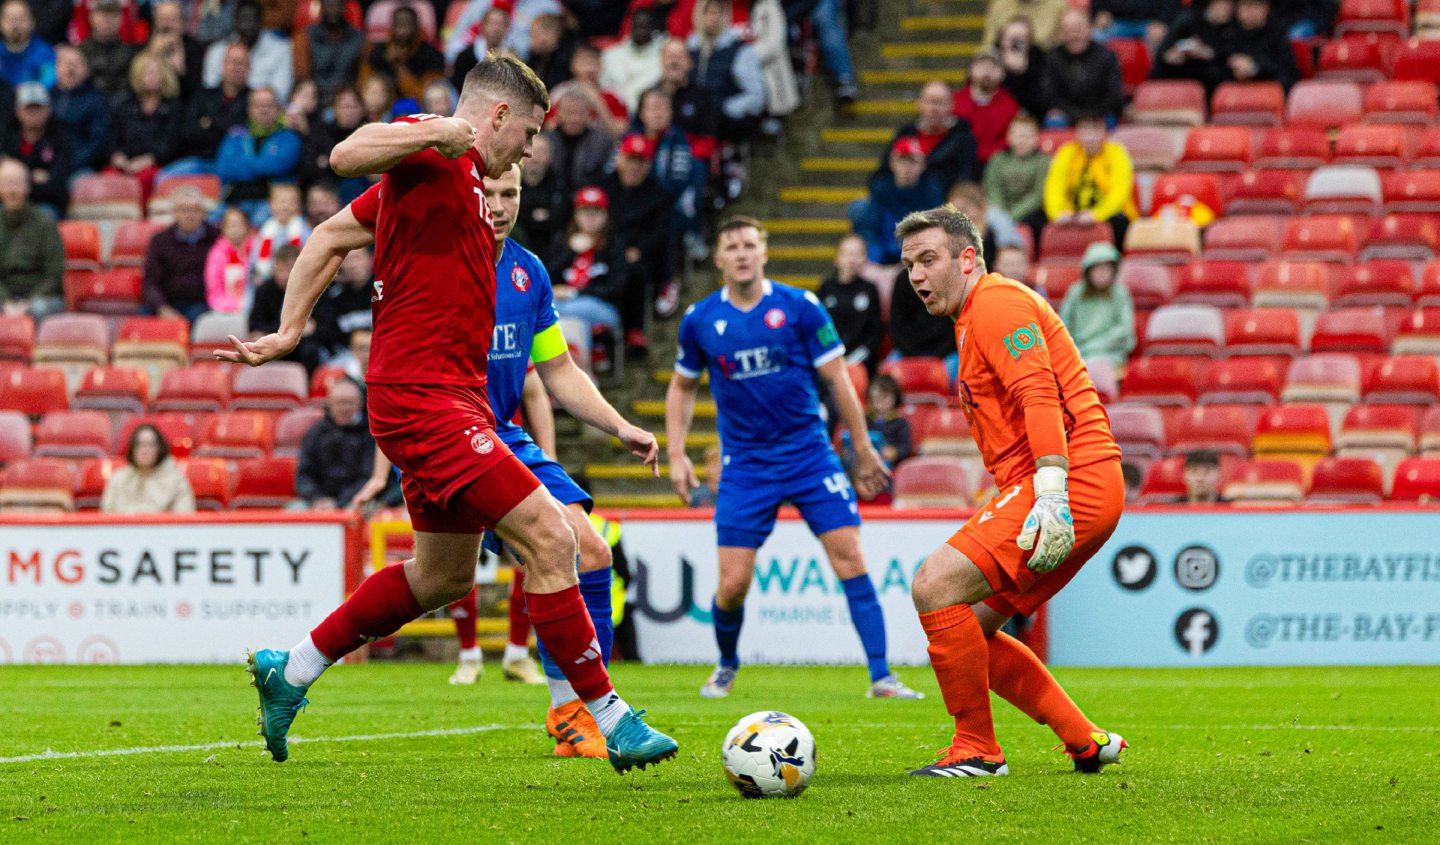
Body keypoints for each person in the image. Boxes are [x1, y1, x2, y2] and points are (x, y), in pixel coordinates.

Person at [220, 54, 677, 771]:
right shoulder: (433, 156)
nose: (527, 152)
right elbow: (343, 153)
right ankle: (607, 716)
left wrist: (289, 329)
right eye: (526, 134)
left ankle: (294, 668)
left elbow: (329, 238)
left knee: (442, 578)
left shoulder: (479, 208)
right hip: (422, 397)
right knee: (553, 538)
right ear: (496, 117)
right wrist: (435, 129)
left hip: (449, 401)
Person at [343, 162, 660, 756]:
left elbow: (557, 372)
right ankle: (566, 703)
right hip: (446, 433)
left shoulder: (529, 273)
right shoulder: (434, 260)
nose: (499, 203)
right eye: (488, 191)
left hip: (505, 436)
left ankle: (573, 712)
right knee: (452, 575)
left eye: (510, 192)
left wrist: (619, 426)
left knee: (589, 548)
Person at [895, 205, 1125, 777]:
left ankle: (976, 749)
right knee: (969, 631)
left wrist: (1050, 490)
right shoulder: (975, 316)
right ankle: (1085, 739)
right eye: (908, 265)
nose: (917, 276)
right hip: (1073, 481)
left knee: (934, 584)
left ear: (967, 259)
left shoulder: (996, 303)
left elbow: (1039, 396)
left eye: (928, 260)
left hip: (1073, 479)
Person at [666, 215, 923, 701]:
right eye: (732, 246)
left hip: (810, 455)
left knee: (849, 558)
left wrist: (862, 447)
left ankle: (881, 675)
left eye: (749, 244)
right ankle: (726, 663)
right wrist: (677, 453)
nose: (741, 253)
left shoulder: (800, 307)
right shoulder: (700, 320)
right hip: (745, 464)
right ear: (719, 258)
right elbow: (682, 388)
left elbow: (839, 380)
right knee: (733, 583)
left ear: (764, 252)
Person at [598, 133, 675, 330]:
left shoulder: (660, 195)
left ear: (649, 166)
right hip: (602, 248)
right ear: (620, 159)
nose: (635, 167)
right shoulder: (602, 185)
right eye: (631, 159)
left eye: (641, 162)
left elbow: (660, 234)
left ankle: (633, 330)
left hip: (640, 255)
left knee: (633, 271)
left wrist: (639, 250)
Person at [543, 186, 627, 345]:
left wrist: (573, 293)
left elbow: (616, 287)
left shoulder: (614, 245)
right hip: (564, 307)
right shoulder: (562, 241)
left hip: (601, 307)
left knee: (550, 311)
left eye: (596, 212)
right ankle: (582, 364)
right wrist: (570, 253)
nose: (590, 217)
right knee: (571, 321)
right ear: (576, 214)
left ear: (606, 215)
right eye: (585, 211)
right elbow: (545, 276)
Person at [1043, 113, 1137, 247]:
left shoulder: (1117, 153)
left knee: (1119, 223)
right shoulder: (1066, 152)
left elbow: (1119, 194)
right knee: (1038, 222)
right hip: (1071, 212)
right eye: (1085, 131)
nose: (1090, 138)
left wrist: (1096, 215)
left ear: (1104, 132)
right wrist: (1057, 213)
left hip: (1109, 213)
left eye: (1095, 131)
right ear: (1077, 133)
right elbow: (1054, 187)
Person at [874, 80, 977, 195]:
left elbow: (965, 180)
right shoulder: (906, 133)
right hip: (902, 196)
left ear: (951, 105)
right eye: (929, 102)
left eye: (940, 103)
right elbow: (882, 173)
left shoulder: (963, 138)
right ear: (919, 104)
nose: (934, 109)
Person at [854, 137, 944, 266]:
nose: (907, 168)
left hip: (917, 256)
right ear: (892, 163)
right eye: (902, 161)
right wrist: (874, 262)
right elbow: (870, 227)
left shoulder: (931, 191)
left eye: (912, 162)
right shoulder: (881, 189)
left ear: (923, 165)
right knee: (859, 208)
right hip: (884, 252)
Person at [687, 0, 765, 144]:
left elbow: (756, 97)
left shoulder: (740, 51)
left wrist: (726, 109)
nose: (712, 17)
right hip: (692, 118)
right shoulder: (690, 47)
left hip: (723, 124)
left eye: (717, 12)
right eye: (707, 12)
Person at [216, 87, 303, 217]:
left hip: (270, 203)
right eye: (258, 105)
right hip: (234, 201)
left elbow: (277, 167)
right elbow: (223, 169)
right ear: (249, 109)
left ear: (278, 109)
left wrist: (243, 163)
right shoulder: (235, 136)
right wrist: (262, 166)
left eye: (269, 105)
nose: (263, 110)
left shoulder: (288, 137)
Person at [109, 51, 183, 197]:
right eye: (147, 72)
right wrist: (118, 157)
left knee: (143, 180)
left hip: (158, 164)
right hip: (126, 163)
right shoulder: (125, 106)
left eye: (156, 72)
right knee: (109, 179)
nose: (152, 77)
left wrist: (148, 160)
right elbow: (113, 138)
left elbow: (171, 143)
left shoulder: (173, 107)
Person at [295, 376, 375, 511]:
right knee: (295, 510)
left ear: (360, 404)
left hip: (355, 499)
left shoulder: (370, 434)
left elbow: (368, 477)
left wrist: (339, 503)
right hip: (317, 501)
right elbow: (304, 476)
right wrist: (317, 499)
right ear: (329, 404)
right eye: (338, 403)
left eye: (349, 402)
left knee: (363, 510)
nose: (344, 408)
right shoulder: (315, 433)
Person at [142, 186, 218, 322]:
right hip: (167, 302)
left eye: (195, 209)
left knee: (200, 318)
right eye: (184, 210)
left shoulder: (216, 237)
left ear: (203, 212)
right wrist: (162, 308)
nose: (189, 215)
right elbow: (150, 283)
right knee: (142, 317)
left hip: (203, 302)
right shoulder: (159, 240)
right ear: (174, 213)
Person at [0, 157, 62, 319]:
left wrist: (28, 303)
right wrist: (6, 302)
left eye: (16, 184)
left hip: (41, 298)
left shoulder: (45, 223)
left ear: (27, 187)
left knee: (38, 309)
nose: (12, 191)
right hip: (5, 298)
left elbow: (53, 274)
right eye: (6, 184)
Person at [1039, 10, 1125, 127]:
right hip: (1066, 114)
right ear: (1060, 34)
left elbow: (1114, 97)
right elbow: (1049, 97)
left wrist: (1091, 116)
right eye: (1068, 31)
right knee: (1054, 120)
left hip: (1100, 114)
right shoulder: (1051, 58)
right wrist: (1077, 115)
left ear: (1089, 29)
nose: (1074, 35)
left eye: (1078, 29)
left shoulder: (1107, 56)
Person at [173, 42, 250, 171]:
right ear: (223, 66)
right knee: (163, 179)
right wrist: (227, 127)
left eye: (241, 63)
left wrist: (210, 123)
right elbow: (188, 132)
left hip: (237, 165)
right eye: (232, 62)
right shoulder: (203, 95)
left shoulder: (254, 99)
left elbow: (243, 134)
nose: (236, 67)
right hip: (199, 160)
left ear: (249, 68)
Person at [1058, 241, 1136, 368]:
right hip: (1077, 353)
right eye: (1097, 268)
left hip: (1110, 355)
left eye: (1106, 268)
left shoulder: (1121, 293)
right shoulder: (1076, 292)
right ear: (1088, 271)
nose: (1102, 273)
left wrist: (1096, 346)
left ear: (1114, 271)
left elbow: (1125, 331)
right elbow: (1064, 325)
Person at [819, 233, 884, 377]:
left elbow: (874, 334)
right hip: (831, 359)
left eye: (858, 254)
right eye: (848, 254)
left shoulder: (870, 290)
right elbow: (819, 328)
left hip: (862, 362)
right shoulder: (826, 288)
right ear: (836, 259)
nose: (852, 259)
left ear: (866, 259)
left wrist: (853, 360)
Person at [202, 0, 292, 102]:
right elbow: (209, 91)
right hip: (223, 112)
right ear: (234, 21)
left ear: (262, 22)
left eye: (253, 19)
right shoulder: (217, 51)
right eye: (244, 18)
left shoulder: (281, 49)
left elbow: (280, 95)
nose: (248, 25)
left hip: (263, 113)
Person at [3, 83, 71, 213]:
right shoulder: (7, 139)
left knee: (46, 213)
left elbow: (56, 184)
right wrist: (30, 177)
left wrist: (17, 181)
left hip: (46, 204)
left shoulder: (59, 138)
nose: (33, 113)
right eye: (29, 109)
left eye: (38, 108)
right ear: (18, 111)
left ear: (48, 109)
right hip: (8, 204)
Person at [100, 424, 196, 514]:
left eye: (151, 445)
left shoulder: (177, 480)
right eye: (140, 444)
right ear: (132, 449)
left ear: (160, 448)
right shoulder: (118, 479)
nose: (145, 450)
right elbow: (106, 515)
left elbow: (185, 519)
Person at [985, 113, 1050, 239]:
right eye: (1019, 136)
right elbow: (993, 190)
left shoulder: (1044, 161)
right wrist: (1002, 214)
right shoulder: (997, 159)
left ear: (1037, 138)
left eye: (1028, 136)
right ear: (1009, 137)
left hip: (1031, 212)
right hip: (999, 210)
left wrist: (1011, 216)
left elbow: (1038, 195)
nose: (1023, 140)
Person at [544, 87, 615, 202]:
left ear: (589, 115)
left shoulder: (602, 143)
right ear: (558, 113)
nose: (575, 119)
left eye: (581, 113)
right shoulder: (545, 141)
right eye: (570, 112)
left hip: (589, 201)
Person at [1152, 0, 1236, 96]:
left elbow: (1230, 56)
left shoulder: (1232, 28)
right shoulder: (1188, 21)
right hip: (1183, 70)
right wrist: (1172, 55)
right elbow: (1164, 53)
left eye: (1230, 5)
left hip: (1210, 78)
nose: (1227, 9)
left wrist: (1208, 53)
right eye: (1222, 4)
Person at [951, 50, 1019, 168]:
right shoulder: (954, 101)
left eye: (993, 67)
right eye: (982, 66)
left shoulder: (1010, 105)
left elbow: (1009, 139)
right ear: (970, 71)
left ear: (1002, 74)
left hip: (997, 164)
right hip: (959, 162)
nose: (987, 71)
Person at [50, 45, 110, 173]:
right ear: (56, 68)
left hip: (80, 166)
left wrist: (69, 166)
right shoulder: (46, 97)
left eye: (76, 64)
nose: (70, 69)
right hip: (48, 164)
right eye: (66, 63)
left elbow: (97, 141)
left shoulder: (97, 100)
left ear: (86, 70)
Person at [364, 4, 444, 100]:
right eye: (399, 24)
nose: (403, 31)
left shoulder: (432, 56)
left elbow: (424, 96)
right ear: (391, 26)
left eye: (407, 24)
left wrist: (399, 66)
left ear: (417, 26)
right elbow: (366, 90)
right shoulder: (377, 53)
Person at [294, 0, 365, 103]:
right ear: (321, 8)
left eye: (337, 5)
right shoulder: (305, 36)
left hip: (347, 99)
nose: (333, 10)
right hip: (315, 99)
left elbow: (363, 77)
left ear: (344, 8)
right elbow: (302, 76)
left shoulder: (359, 38)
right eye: (329, 5)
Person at [1223, 0, 1298, 91]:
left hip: (1269, 95)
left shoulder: (1277, 35)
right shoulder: (1228, 35)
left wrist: (1255, 68)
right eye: (1245, 6)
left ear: (1266, 8)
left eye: (1255, 6)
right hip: (1233, 97)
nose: (1250, 12)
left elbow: (1289, 75)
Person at [601, 7, 664, 111]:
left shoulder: (662, 55)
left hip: (649, 114)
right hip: (615, 114)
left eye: (645, 27)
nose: (641, 31)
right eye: (637, 26)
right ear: (630, 27)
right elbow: (604, 87)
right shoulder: (611, 55)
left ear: (653, 28)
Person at [250, 183, 310, 282]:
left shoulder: (304, 230)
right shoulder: (265, 231)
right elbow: (255, 258)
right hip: (270, 278)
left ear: (299, 206)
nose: (285, 206)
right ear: (271, 205)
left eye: (291, 202)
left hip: (298, 278)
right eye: (281, 202)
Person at [78, 0, 136, 98]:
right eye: (102, 15)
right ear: (91, 17)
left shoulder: (131, 52)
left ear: (121, 19)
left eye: (112, 15)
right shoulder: (79, 52)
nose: (107, 20)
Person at [996, 17, 1048, 119]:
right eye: (1012, 39)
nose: (1016, 44)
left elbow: (1043, 99)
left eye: (1021, 39)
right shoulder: (990, 58)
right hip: (999, 117)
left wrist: (1022, 72)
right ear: (1002, 40)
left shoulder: (1040, 58)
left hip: (1034, 117)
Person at [205, 206, 253, 314]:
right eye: (231, 226)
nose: (236, 230)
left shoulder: (255, 250)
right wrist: (232, 306)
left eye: (239, 225)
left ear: (247, 227)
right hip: (223, 309)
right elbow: (214, 288)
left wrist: (247, 304)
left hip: (251, 305)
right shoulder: (216, 254)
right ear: (223, 229)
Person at [0, 0, 54, 88]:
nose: (15, 25)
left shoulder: (45, 53)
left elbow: (48, 84)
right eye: (10, 19)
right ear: (1, 23)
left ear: (32, 23)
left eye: (21, 19)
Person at [1092, 1, 1181, 48]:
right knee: (1097, 35)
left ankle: (1152, 78)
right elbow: (1100, 6)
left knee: (1165, 40)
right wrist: (1101, 11)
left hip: (1150, 23)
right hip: (1116, 22)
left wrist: (1162, 21)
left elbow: (1171, 3)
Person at [983, 0, 1068, 50]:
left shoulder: (1058, 5)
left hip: (1045, 68)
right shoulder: (999, 5)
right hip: (1005, 68)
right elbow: (988, 45)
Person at [689, 442, 722, 507]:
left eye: (722, 465)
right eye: (715, 465)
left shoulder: (734, 495)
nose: (719, 469)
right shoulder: (697, 496)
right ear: (706, 468)